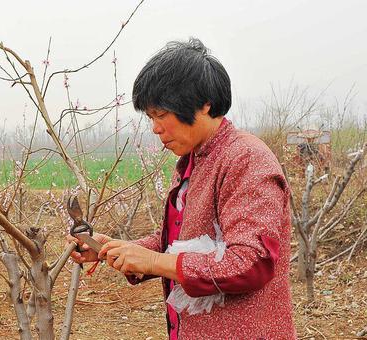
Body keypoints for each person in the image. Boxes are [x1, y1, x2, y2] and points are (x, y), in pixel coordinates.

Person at [69, 38, 296, 339]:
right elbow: (184, 244)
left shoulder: (245, 159)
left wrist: (153, 261)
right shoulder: (194, 161)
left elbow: (250, 262)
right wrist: (120, 249)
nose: (155, 128)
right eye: (151, 117)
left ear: (204, 104)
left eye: (162, 115)